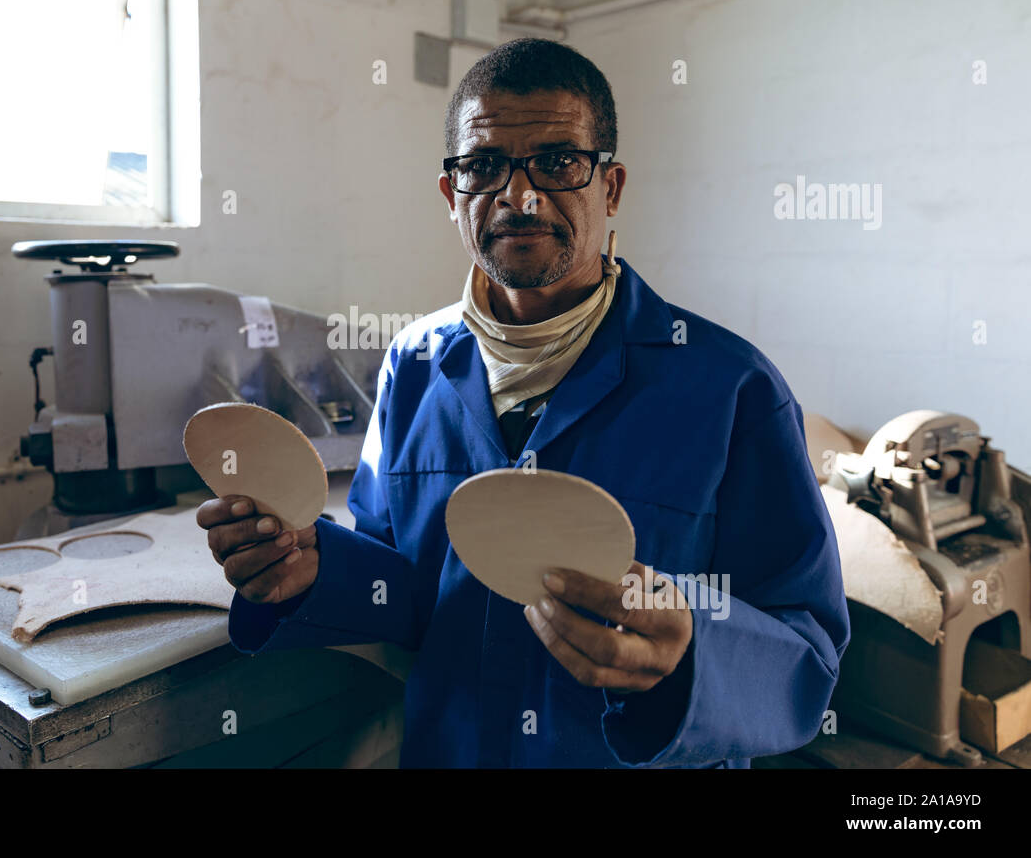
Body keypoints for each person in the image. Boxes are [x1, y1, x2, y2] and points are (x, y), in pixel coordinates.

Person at [196, 38, 850, 768]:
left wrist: (692, 651)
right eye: (483, 166)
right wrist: (308, 569)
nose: (519, 195)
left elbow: (809, 653)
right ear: (453, 196)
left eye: (559, 161)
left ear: (612, 187)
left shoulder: (731, 388)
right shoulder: (413, 366)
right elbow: (404, 587)